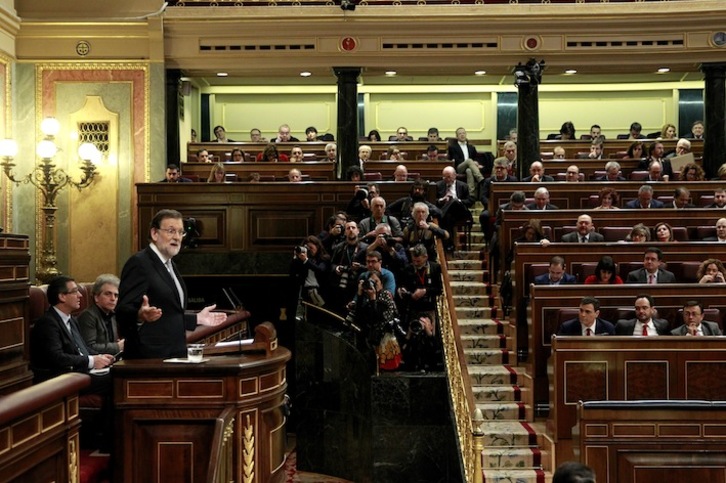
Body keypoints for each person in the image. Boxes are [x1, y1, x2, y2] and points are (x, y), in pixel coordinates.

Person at [117, 209, 226, 359]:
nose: (177, 237)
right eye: (171, 231)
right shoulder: (139, 263)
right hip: (149, 360)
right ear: (154, 233)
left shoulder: (170, 264)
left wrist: (197, 318)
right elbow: (122, 311)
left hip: (173, 355)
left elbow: (168, 313)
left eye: (180, 232)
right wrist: (139, 315)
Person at [31, 275, 116, 383]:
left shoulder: (72, 319)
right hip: (61, 378)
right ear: (62, 296)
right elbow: (57, 357)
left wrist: (100, 356)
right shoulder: (47, 323)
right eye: (75, 292)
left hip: (80, 372)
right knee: (115, 380)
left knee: (117, 374)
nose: (80, 295)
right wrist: (91, 361)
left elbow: (82, 348)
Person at [353, 269, 402, 371]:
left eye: (376, 282)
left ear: (381, 283)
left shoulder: (386, 296)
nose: (373, 285)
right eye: (371, 282)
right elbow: (358, 316)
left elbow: (376, 318)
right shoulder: (367, 296)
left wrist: (373, 299)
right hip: (368, 338)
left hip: (383, 338)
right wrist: (360, 295)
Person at [398, 244, 442, 329]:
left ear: (425, 257)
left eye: (418, 261)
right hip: (413, 308)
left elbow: (439, 289)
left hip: (430, 307)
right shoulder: (408, 268)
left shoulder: (435, 268)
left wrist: (425, 291)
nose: (415, 263)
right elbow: (402, 284)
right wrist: (402, 289)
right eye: (413, 260)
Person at [79, 274, 125, 355]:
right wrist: (117, 346)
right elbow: (89, 347)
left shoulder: (112, 314)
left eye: (116, 295)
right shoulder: (88, 316)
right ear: (96, 297)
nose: (113, 299)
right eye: (108, 294)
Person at [448, 127, 485, 195]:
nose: (462, 135)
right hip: (459, 167)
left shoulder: (471, 147)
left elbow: (476, 157)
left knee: (469, 171)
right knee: (469, 161)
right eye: (460, 134)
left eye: (463, 133)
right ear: (457, 136)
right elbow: (456, 160)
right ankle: (481, 179)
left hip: (470, 167)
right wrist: (470, 162)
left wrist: (476, 163)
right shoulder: (453, 147)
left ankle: (471, 195)